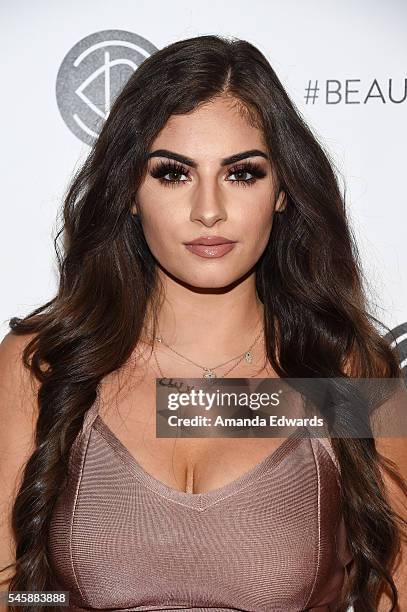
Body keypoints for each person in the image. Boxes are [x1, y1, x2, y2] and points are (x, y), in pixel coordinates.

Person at [0, 34, 406, 612]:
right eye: (173, 173)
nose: (208, 210)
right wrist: (56, 601)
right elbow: (14, 591)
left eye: (242, 174)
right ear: (131, 192)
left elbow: (394, 591)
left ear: (284, 191)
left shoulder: (350, 376)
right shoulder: (40, 367)